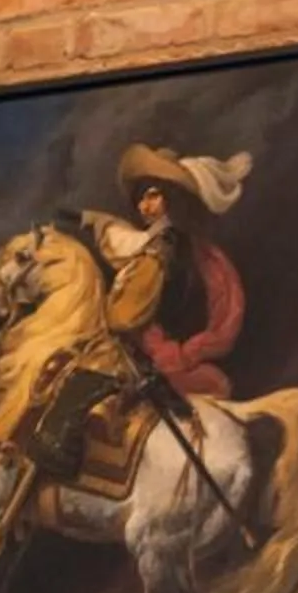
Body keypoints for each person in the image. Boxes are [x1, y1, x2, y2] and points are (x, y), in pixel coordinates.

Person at [77, 141, 252, 403]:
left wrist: (182, 355)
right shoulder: (146, 245)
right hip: (132, 359)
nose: (144, 206)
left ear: (171, 198)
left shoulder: (190, 254)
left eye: (153, 196)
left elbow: (224, 321)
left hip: (165, 368)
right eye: (141, 199)